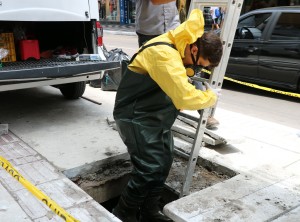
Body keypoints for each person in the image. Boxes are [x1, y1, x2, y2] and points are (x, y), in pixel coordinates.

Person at [112, 9, 223, 222]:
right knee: (148, 168)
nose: (197, 69)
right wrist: (209, 97)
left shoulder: (178, 49)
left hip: (153, 118)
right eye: (200, 64)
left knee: (163, 161)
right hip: (135, 118)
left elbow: (178, 82)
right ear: (193, 48)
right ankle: (123, 214)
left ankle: (149, 211)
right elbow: (183, 97)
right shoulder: (165, 54)